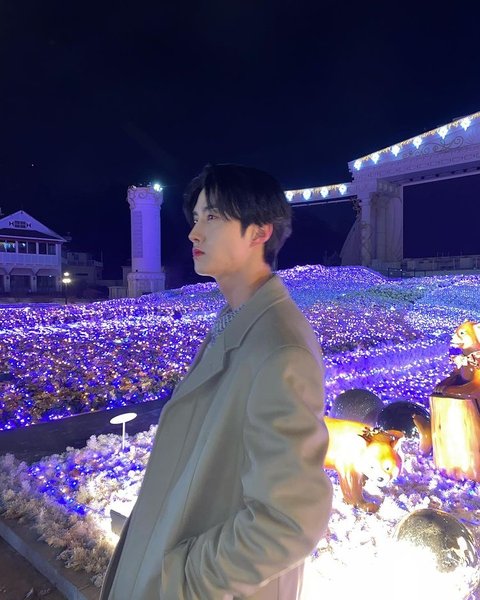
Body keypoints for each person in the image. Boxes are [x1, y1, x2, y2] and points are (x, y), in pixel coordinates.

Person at [101, 164, 332, 599]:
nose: (194, 232)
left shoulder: (279, 349)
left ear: (259, 232)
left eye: (213, 217)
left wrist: (183, 579)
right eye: (195, 218)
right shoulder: (236, 319)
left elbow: (289, 520)